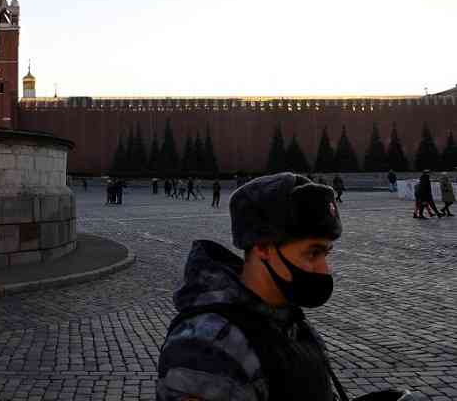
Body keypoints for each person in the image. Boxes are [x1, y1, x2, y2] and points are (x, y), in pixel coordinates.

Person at [156, 172, 413, 401]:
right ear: (263, 247)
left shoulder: (285, 320)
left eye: (326, 254)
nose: (324, 269)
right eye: (312, 253)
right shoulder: (207, 350)